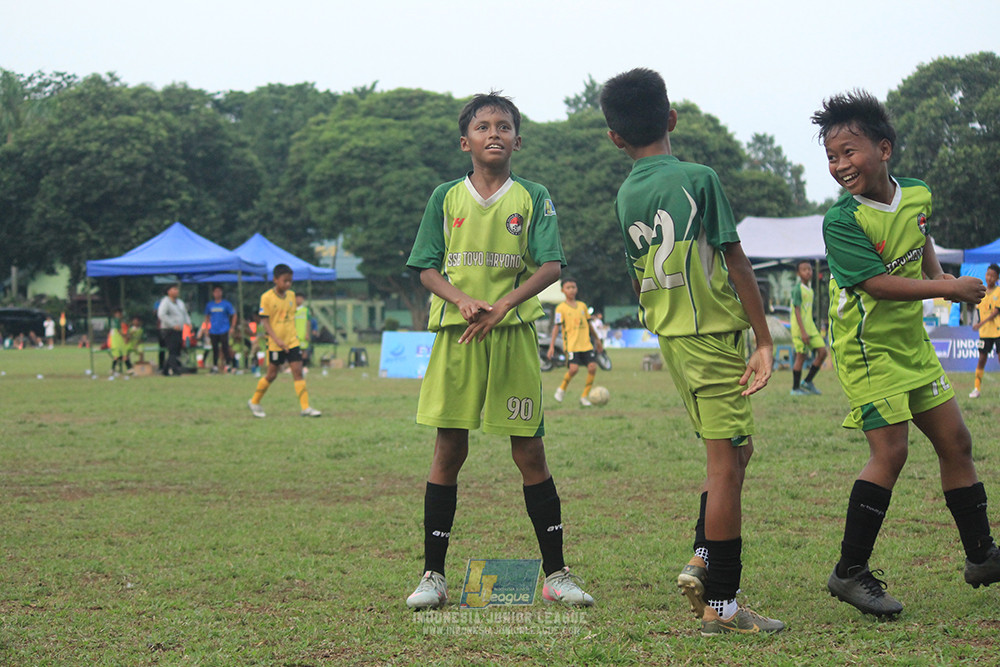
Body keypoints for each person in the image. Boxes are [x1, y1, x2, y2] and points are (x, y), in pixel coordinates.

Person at [600, 68, 784, 635]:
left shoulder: (626, 195)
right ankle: (722, 606)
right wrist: (764, 339)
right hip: (711, 339)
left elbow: (638, 278)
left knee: (737, 452)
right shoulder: (699, 178)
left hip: (674, 339)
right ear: (672, 118)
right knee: (726, 465)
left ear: (615, 138)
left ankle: (703, 556)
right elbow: (735, 259)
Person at [812, 90, 999, 618]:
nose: (840, 165)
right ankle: (849, 571)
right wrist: (946, 288)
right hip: (867, 350)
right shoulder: (841, 220)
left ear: (884, 148)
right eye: (831, 157)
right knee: (891, 452)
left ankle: (982, 556)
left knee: (956, 442)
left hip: (911, 345)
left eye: (849, 152)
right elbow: (876, 284)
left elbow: (921, 237)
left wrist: (938, 274)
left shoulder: (917, 194)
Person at [404, 92, 593, 610]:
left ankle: (557, 574)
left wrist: (502, 306)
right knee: (449, 449)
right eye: (483, 126)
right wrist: (462, 299)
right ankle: (433, 576)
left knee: (529, 451)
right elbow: (426, 268)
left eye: (504, 126)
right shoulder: (445, 197)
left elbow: (550, 266)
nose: (494, 133)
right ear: (465, 142)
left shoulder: (533, 196)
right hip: (457, 335)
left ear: (517, 141)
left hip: (511, 336)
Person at [247, 264, 321, 418]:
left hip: (292, 341)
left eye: (290, 281)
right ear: (275, 279)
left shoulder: (291, 296)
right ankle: (254, 401)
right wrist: (277, 339)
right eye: (285, 281)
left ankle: (305, 408)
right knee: (271, 375)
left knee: (298, 372)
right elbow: (265, 322)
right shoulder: (266, 297)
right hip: (275, 343)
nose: (288, 284)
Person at [548, 279, 604, 406]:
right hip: (572, 345)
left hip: (586, 344)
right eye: (568, 288)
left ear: (577, 289)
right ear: (563, 290)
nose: (571, 290)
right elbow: (556, 327)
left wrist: (597, 340)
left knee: (592, 367)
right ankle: (561, 389)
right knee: (573, 369)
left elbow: (589, 325)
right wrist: (551, 346)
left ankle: (584, 397)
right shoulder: (560, 308)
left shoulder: (582, 306)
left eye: (573, 287)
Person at [789, 260, 829, 396]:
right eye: (804, 269)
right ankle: (795, 389)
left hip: (810, 328)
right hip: (800, 329)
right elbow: (797, 311)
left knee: (823, 352)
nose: (808, 272)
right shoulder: (797, 289)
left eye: (810, 269)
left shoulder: (810, 289)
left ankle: (807, 381)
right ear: (798, 273)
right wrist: (803, 332)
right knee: (801, 356)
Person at [970, 263, 1000, 398]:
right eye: (988, 275)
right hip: (985, 333)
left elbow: (996, 312)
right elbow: (978, 311)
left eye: (993, 276)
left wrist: (980, 324)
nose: (989, 278)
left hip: (998, 331)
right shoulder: (981, 293)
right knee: (982, 359)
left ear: (997, 278)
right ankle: (976, 388)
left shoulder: (998, 292)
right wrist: (977, 323)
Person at [157, 284, 191, 376]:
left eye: (177, 289)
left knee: (176, 350)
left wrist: (188, 323)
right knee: (173, 350)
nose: (177, 291)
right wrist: (172, 324)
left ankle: (165, 370)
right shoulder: (165, 302)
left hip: (179, 330)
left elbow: (185, 314)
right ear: (169, 291)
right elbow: (161, 314)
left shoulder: (180, 302)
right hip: (169, 330)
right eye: (174, 289)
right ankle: (175, 370)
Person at [205, 286, 237, 374]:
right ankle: (215, 366)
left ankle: (228, 365)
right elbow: (207, 317)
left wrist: (232, 327)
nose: (217, 293)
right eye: (215, 292)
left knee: (225, 347)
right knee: (215, 348)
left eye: (219, 291)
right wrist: (206, 328)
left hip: (224, 329)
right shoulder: (210, 305)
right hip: (213, 330)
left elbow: (234, 315)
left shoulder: (226, 304)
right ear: (213, 293)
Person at [108, 308, 132, 376]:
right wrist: (125, 336)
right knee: (124, 354)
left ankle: (113, 369)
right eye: (119, 313)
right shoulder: (117, 321)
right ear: (116, 314)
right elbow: (119, 331)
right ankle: (130, 369)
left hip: (114, 340)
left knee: (118, 355)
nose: (120, 315)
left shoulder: (113, 321)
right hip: (118, 340)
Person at [294, 293, 313, 368]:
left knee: (303, 350)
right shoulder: (292, 310)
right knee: (294, 351)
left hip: (303, 333)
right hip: (294, 334)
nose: (298, 300)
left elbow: (308, 322)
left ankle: (303, 366)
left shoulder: (306, 310)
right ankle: (295, 366)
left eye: (300, 298)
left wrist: (307, 333)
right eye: (297, 298)